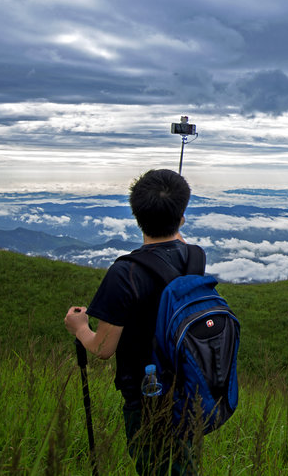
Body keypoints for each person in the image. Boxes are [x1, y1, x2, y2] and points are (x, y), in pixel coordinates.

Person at [65, 169, 203, 476]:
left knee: (153, 469)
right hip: (188, 390)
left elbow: (102, 348)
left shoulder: (124, 274)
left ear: (135, 215)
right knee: (184, 467)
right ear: (181, 218)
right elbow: (177, 240)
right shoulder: (195, 258)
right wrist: (173, 217)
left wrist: (80, 327)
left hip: (147, 398)